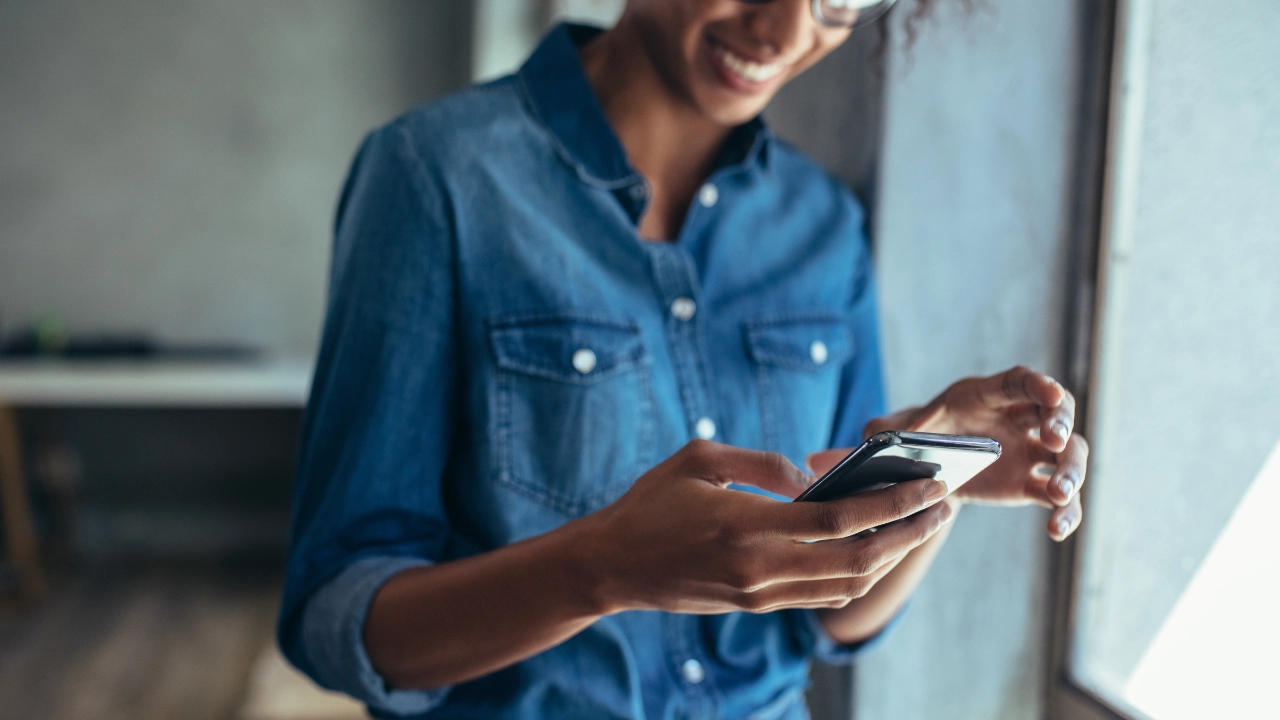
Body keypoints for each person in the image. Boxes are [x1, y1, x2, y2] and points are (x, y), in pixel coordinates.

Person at [278, 1, 1089, 718]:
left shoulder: (823, 226)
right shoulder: (434, 177)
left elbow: (833, 620)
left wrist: (932, 476)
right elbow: (337, 619)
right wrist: (601, 568)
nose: (785, 31)